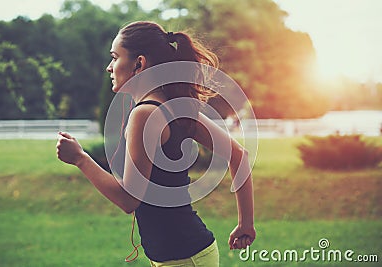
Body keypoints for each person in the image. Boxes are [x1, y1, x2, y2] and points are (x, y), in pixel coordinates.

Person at [56, 21, 255, 267]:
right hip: (188, 254)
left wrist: (80, 159)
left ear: (139, 63)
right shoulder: (176, 106)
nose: (109, 67)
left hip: (182, 259)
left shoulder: (145, 115)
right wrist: (246, 224)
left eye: (115, 57)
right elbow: (240, 156)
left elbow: (129, 200)